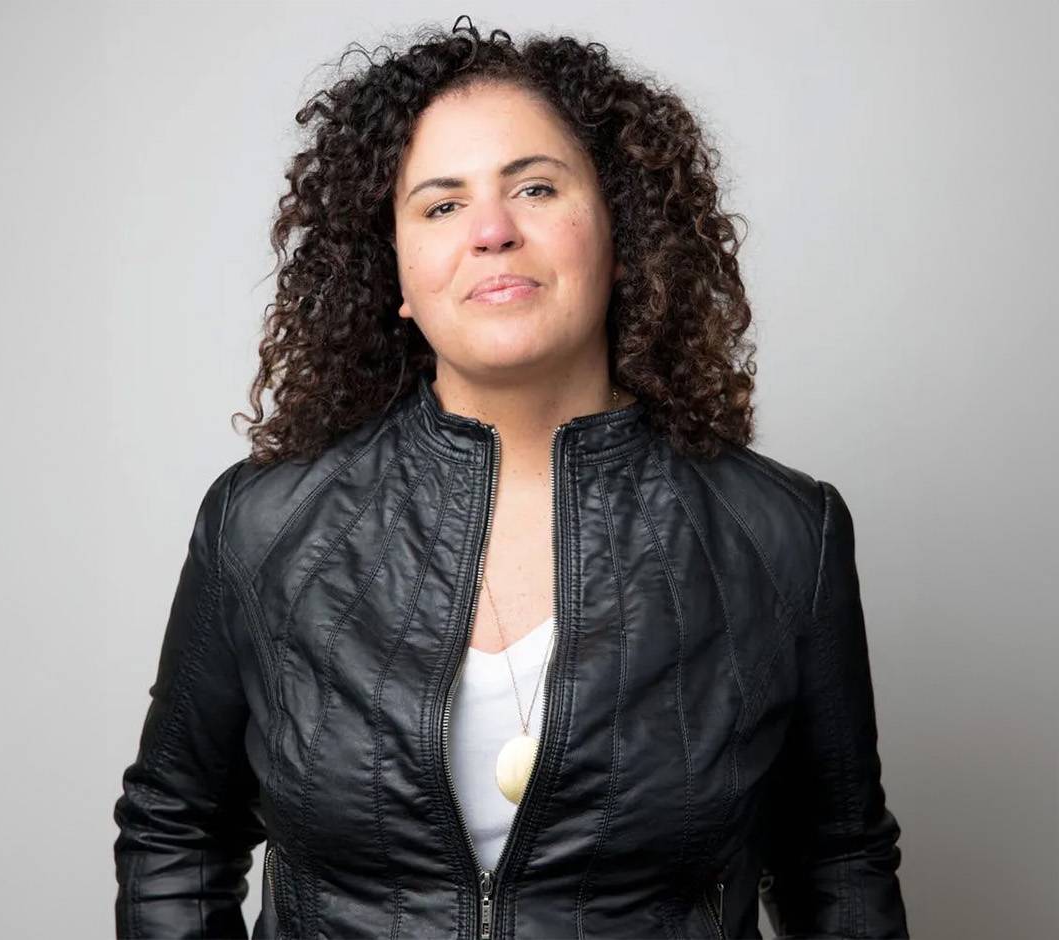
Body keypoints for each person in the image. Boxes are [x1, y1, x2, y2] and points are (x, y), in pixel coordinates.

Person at [112, 17, 909, 940]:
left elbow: (837, 863)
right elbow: (175, 828)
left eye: (535, 187)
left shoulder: (780, 536)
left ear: (619, 233)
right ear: (398, 274)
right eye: (441, 205)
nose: (492, 230)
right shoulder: (262, 524)